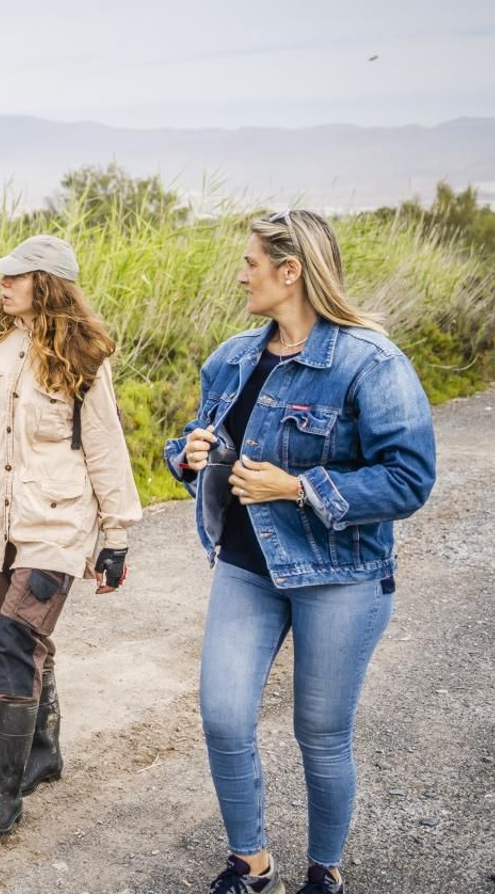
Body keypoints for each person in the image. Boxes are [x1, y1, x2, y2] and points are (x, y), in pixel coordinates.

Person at [165, 210, 436, 894]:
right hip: (245, 567)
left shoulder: (369, 361)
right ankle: (252, 866)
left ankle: (325, 873)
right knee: (224, 714)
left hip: (340, 575)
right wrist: (189, 452)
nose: (240, 273)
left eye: (251, 262)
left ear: (291, 271)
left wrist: (299, 487)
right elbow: (201, 437)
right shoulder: (232, 355)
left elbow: (409, 476)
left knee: (320, 732)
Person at [0, 235, 141, 836]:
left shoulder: (84, 358)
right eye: (4, 276)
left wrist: (114, 536)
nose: (3, 284)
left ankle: (6, 791)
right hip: (1, 522)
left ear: (46, 283)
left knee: (13, 647)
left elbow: (104, 448)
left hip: (59, 527)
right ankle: (44, 752)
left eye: (16, 277)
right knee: (25, 641)